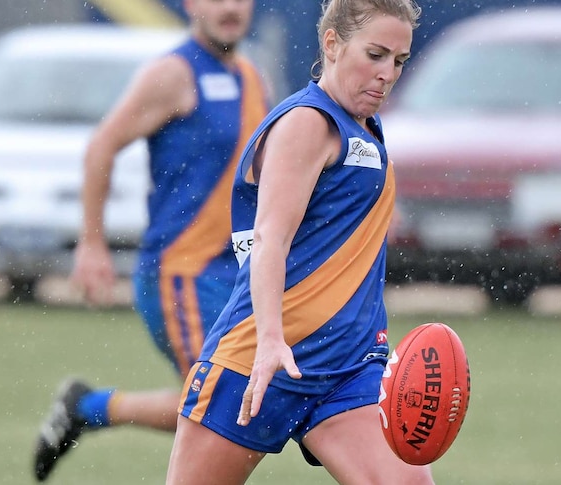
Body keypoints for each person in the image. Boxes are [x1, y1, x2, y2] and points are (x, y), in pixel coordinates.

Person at [165, 0, 435, 483]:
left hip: (349, 367)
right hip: (263, 359)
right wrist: (270, 340)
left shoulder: (365, 125)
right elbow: (270, 238)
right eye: (375, 54)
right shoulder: (308, 123)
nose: (387, 73)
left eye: (398, 61)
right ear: (331, 44)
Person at [32, 0, 269, 481]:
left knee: (234, 399)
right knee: (222, 404)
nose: (229, 6)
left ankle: (88, 408)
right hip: (181, 273)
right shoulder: (173, 74)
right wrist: (92, 242)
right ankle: (91, 409)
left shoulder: (252, 76)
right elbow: (102, 144)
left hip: (239, 274)